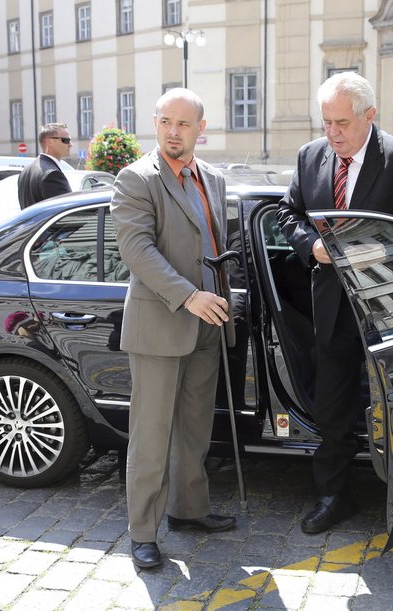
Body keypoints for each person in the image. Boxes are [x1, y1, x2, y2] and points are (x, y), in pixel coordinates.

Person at [276, 72, 393, 534]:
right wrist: (309, 245)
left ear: (370, 116)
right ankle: (334, 496)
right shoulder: (310, 157)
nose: (332, 133)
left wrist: (376, 251)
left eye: (342, 123)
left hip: (392, 312)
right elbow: (287, 213)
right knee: (332, 408)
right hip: (332, 309)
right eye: (326, 122)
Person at [111, 88, 236, 570]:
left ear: (200, 129)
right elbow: (138, 250)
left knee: (194, 428)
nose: (173, 132)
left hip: (208, 321)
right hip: (162, 321)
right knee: (151, 434)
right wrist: (189, 295)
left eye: (183, 124)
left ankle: (189, 510)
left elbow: (215, 244)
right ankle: (143, 531)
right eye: (165, 122)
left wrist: (226, 294)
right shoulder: (137, 178)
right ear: (155, 122)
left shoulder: (213, 178)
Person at [18, 122, 73, 209]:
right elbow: (66, 213)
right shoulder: (52, 174)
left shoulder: (26, 171)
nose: (70, 144)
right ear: (49, 142)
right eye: (66, 140)